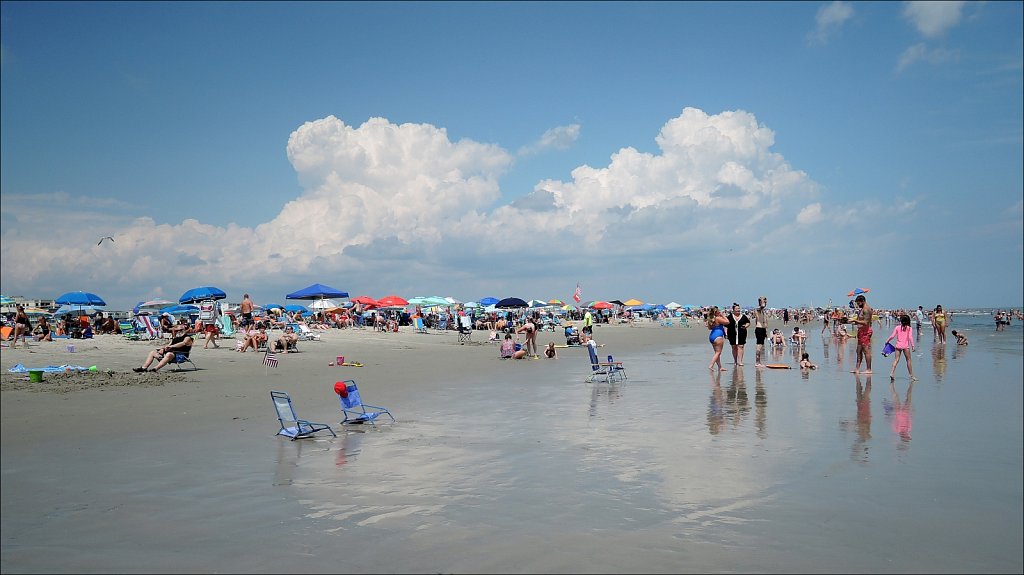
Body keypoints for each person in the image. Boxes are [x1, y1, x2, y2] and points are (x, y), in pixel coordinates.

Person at [885, 314, 916, 381]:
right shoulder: (909, 328)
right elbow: (910, 337)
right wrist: (913, 346)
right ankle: (911, 375)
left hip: (898, 346)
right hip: (905, 346)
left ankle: (892, 373)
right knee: (908, 360)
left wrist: (887, 341)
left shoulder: (897, 327)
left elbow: (892, 336)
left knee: (896, 360)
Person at [848, 294, 874, 374]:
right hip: (861, 331)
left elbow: (866, 322)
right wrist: (853, 321)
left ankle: (869, 369)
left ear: (863, 301)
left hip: (865, 331)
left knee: (866, 351)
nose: (858, 305)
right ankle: (857, 368)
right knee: (858, 350)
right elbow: (861, 321)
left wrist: (856, 321)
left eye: (858, 303)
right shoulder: (862, 309)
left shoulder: (866, 309)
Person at [706, 306, 729, 371]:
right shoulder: (718, 318)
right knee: (718, 352)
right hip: (718, 336)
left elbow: (709, 328)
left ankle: (720, 367)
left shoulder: (710, 319)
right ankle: (711, 365)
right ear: (716, 312)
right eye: (719, 311)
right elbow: (727, 322)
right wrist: (723, 316)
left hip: (712, 336)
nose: (720, 312)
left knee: (717, 352)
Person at [753, 296, 769, 367]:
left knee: (761, 345)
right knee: (759, 346)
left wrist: (766, 331)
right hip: (759, 329)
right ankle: (757, 362)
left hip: (763, 329)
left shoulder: (763, 312)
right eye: (764, 302)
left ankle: (759, 361)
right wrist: (762, 301)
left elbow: (764, 322)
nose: (765, 303)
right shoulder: (757, 310)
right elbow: (761, 306)